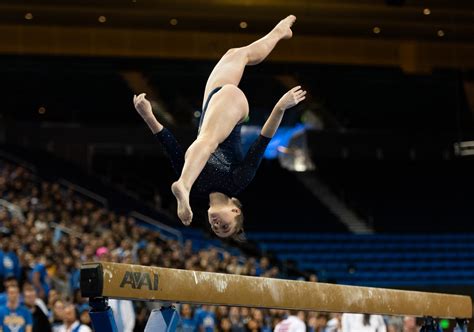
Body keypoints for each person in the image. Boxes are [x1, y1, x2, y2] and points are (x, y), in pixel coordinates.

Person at [133, 15, 306, 240]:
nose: (216, 225)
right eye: (225, 227)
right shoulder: (238, 181)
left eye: (215, 229)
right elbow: (263, 139)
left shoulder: (197, 183)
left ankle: (279, 32)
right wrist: (280, 108)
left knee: (236, 54)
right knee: (207, 140)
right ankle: (180, 187)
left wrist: (148, 115)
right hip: (233, 108)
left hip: (211, 105)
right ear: (235, 210)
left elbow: (170, 146)